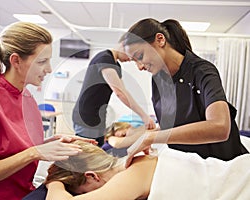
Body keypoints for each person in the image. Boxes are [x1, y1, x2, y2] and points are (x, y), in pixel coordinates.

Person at [0, 21, 94, 200]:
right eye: (42, 61)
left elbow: (10, 147)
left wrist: (52, 143)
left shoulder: (25, 97)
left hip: (23, 193)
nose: (49, 69)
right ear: (16, 61)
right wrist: (35, 152)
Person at [118, 18, 248, 165]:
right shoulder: (158, 79)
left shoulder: (202, 71)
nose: (139, 67)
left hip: (222, 165)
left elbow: (220, 127)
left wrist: (152, 138)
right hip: (189, 164)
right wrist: (144, 136)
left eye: (140, 57)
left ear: (160, 40)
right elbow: (172, 123)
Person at [43, 140, 250, 200]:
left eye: (83, 193)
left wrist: (53, 182)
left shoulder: (130, 175)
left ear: (91, 176)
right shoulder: (138, 160)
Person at [72, 46, 156, 147]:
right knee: (88, 155)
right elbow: (120, 92)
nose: (130, 59)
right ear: (123, 45)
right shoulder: (104, 59)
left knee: (98, 152)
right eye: (131, 55)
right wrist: (143, 116)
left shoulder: (116, 65)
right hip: (86, 118)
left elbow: (124, 91)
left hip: (98, 117)